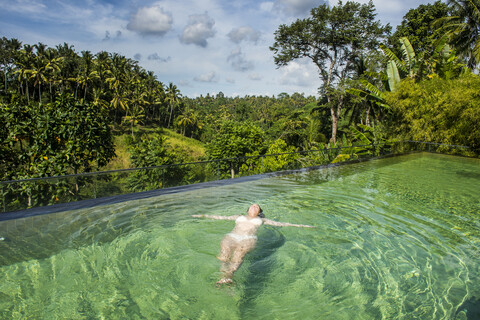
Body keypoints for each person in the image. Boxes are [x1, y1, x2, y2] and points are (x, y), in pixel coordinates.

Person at [192, 204, 314, 285]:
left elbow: (283, 223)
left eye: (256, 207)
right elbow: (220, 217)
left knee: (238, 255)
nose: (253, 207)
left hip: (248, 238)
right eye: (252, 206)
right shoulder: (238, 217)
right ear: (248, 210)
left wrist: (302, 226)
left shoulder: (263, 220)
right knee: (224, 255)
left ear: (259, 212)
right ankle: (223, 277)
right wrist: (202, 215)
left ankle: (229, 276)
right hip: (232, 236)